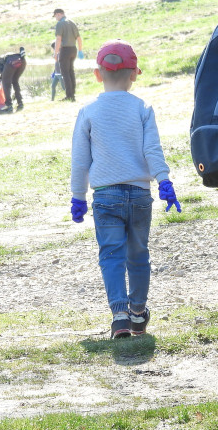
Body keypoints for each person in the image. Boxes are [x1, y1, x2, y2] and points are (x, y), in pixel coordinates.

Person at [69, 42, 181, 340]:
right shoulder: (142, 109)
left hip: (105, 196)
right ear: (134, 75)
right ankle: (138, 311)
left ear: (97, 74)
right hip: (140, 195)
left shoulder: (88, 112)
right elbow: (152, 150)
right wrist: (164, 181)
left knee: (111, 255)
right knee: (138, 254)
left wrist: (78, 196)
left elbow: (81, 160)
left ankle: (118, 314)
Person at [53, 8, 83, 102]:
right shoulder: (72, 22)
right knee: (71, 72)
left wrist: (56, 52)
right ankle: (72, 94)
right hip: (73, 49)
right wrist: (80, 50)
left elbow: (58, 39)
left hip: (65, 50)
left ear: (58, 14)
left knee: (65, 73)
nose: (56, 18)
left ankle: (69, 96)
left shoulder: (60, 24)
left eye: (55, 16)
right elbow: (78, 38)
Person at [0, 46, 27, 113]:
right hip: (21, 60)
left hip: (11, 61)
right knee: (15, 81)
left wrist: (0, 80)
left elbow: (5, 73)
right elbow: (5, 71)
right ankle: (20, 103)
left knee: (6, 83)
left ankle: (9, 106)